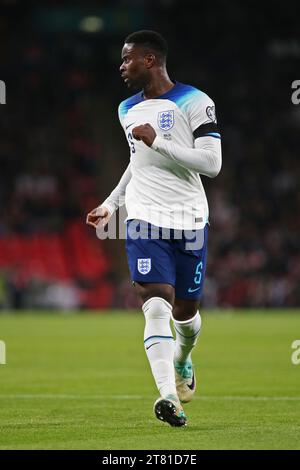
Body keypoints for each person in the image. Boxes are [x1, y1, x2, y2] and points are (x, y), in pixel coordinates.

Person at [87, 30, 222, 427]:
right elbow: (137, 162)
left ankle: (183, 362)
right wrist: (111, 203)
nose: (121, 66)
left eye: (127, 59)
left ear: (149, 60)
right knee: (156, 303)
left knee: (186, 314)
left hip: (190, 219)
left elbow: (211, 164)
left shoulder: (196, 102)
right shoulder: (126, 108)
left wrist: (159, 141)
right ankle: (168, 398)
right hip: (144, 219)